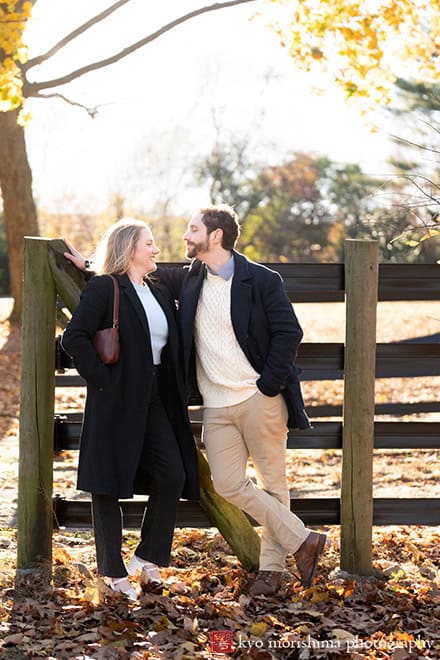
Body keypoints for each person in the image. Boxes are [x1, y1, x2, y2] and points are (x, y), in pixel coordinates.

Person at [66, 204, 326, 597]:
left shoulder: (242, 281)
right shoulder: (171, 281)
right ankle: (302, 538)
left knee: (227, 480)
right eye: (151, 243)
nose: (172, 242)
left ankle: (266, 569)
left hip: (224, 399)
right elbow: (98, 309)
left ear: (215, 235)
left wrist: (268, 385)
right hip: (174, 403)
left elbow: (289, 332)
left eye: (191, 230)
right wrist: (103, 378)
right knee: (201, 484)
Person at [62, 219, 199, 601]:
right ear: (129, 249)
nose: (157, 250)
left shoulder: (155, 288)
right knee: (105, 485)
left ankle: (146, 558)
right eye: (149, 244)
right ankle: (111, 572)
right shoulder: (106, 287)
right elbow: (74, 337)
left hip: (156, 398)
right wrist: (104, 381)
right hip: (116, 398)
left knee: (172, 474)